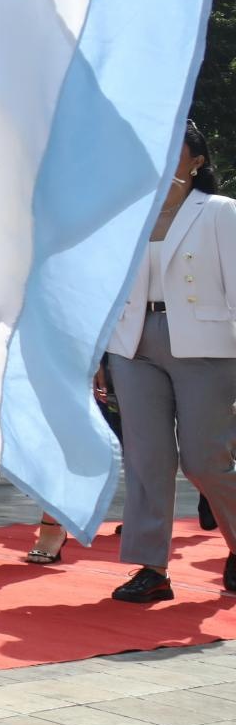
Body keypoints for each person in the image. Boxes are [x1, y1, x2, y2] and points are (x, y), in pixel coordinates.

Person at [103, 120, 236, 602]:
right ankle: (151, 568)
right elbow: (111, 289)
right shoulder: (131, 214)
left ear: (197, 159)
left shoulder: (219, 211)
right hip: (133, 344)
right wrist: (103, 352)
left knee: (206, 459)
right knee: (146, 459)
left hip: (208, 346)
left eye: (174, 148)